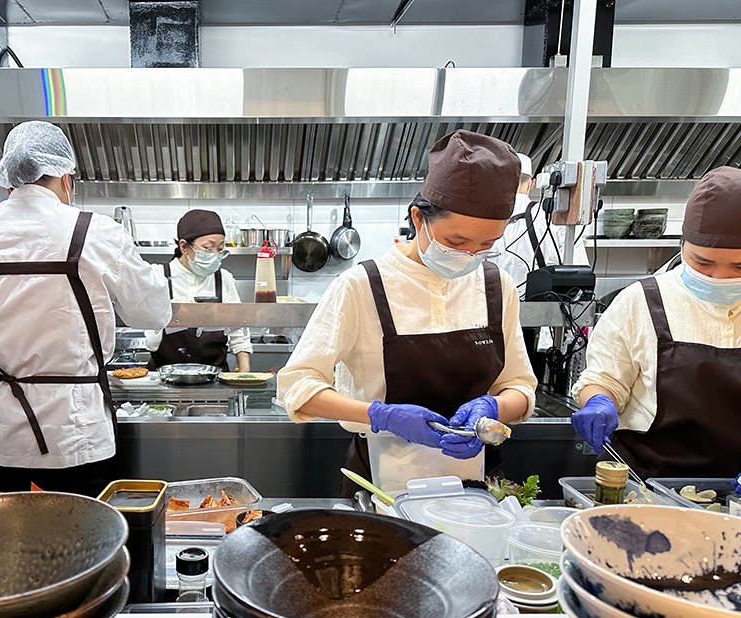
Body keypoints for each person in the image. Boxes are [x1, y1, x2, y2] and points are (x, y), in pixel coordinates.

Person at [277, 130, 537, 495]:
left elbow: (521, 387)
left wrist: (492, 407)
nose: (469, 256)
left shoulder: (498, 286)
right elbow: (298, 386)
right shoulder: (362, 285)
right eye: (456, 242)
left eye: (486, 245)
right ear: (419, 219)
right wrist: (381, 415)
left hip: (475, 490)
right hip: (382, 488)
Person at [0, 121, 172, 496]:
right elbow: (153, 313)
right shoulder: (95, 231)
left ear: (7, 181)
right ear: (66, 177)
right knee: (80, 546)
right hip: (73, 429)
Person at [571, 165, 741, 478]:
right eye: (702, 262)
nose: (720, 277)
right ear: (683, 245)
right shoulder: (642, 301)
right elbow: (606, 378)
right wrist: (597, 400)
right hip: (645, 485)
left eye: (739, 267)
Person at [145, 209, 252, 372]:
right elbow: (148, 336)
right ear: (184, 247)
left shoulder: (223, 278)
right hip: (165, 381)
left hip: (215, 381)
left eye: (220, 249)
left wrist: (245, 372)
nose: (215, 255)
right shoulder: (158, 277)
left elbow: (238, 329)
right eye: (208, 248)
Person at [491, 152, 589, 295]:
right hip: (541, 308)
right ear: (532, 183)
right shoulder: (554, 217)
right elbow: (580, 274)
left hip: (493, 307)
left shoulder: (484, 218)